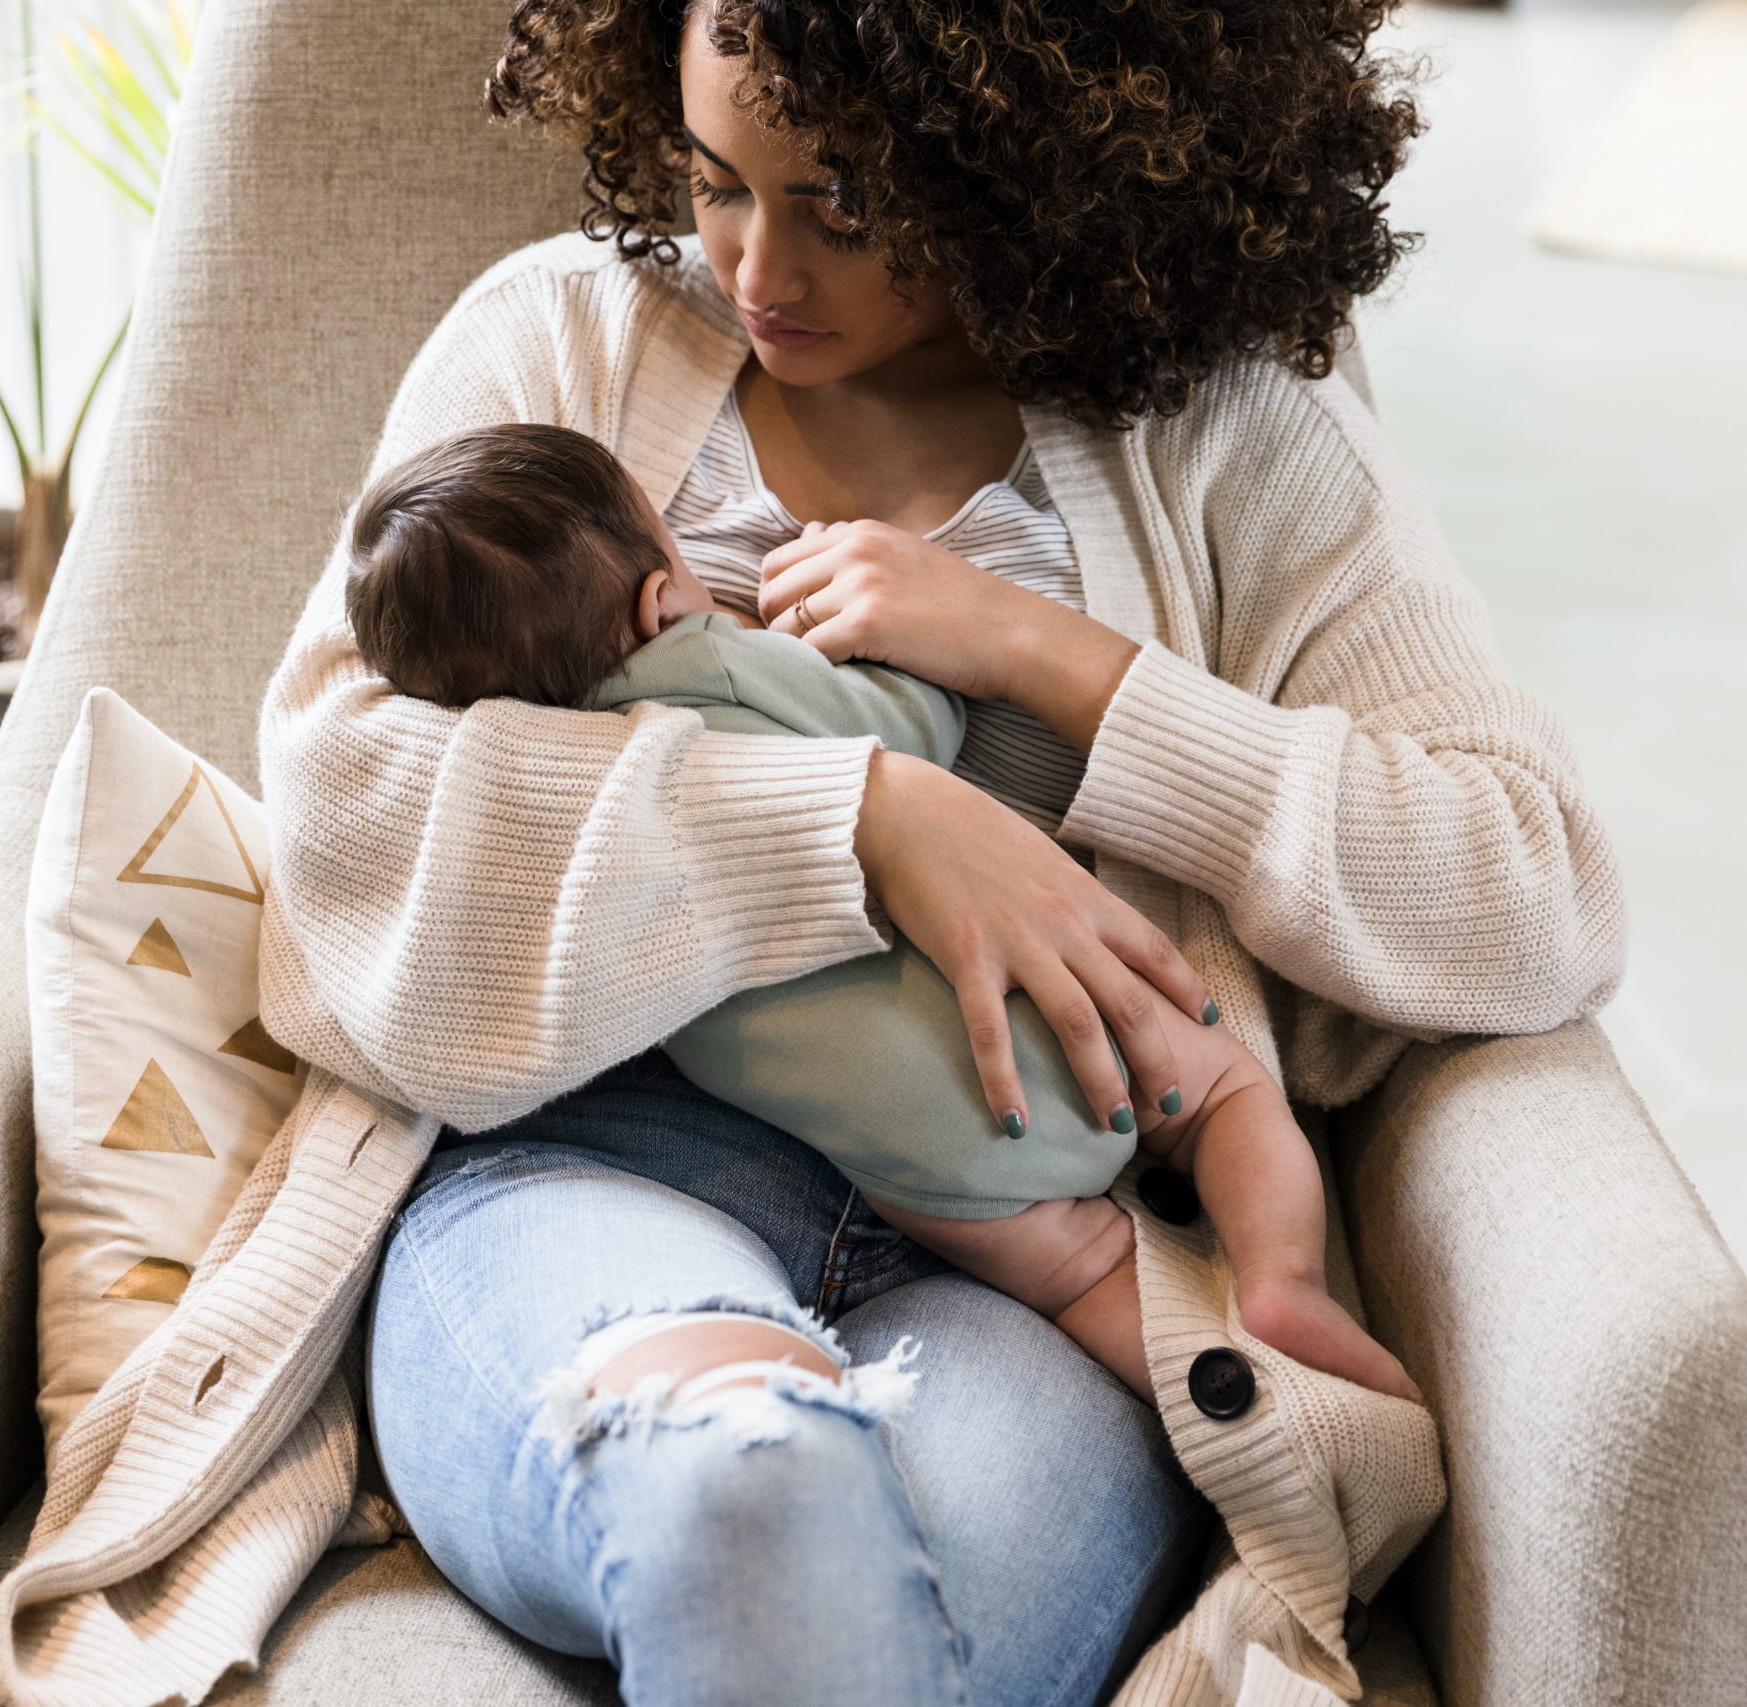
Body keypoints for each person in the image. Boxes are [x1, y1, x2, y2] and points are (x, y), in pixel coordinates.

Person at [258, 2, 1624, 1701]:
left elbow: (1535, 889)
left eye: (840, 205)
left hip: (1028, 1261)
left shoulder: (1233, 444)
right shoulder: (566, 346)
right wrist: (863, 821)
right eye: (714, 179)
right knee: (746, 1489)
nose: (757, 267)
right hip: (592, 1164)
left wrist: (1058, 663)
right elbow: (340, 798)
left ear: (1037, 160)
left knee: (858, 1631)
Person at [340, 419, 1422, 1405]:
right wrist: (922, 662)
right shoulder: (710, 655)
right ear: (656, 601)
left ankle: (1209, 1380)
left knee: (1079, 1270)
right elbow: (912, 727)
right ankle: (1282, 1287)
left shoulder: (559, 798)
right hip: (1050, 1037)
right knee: (1225, 1092)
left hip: (902, 1150)